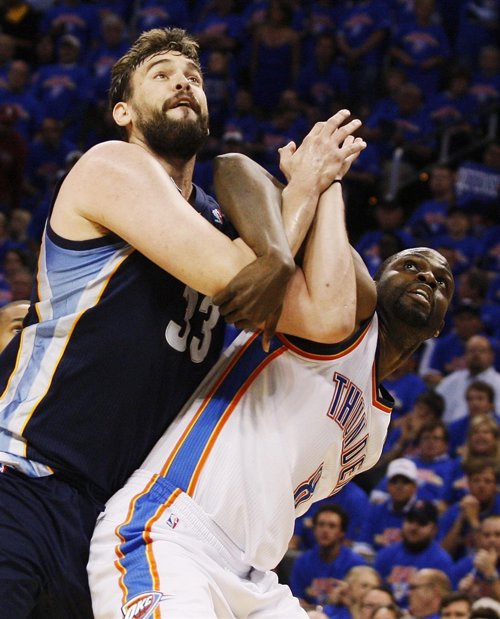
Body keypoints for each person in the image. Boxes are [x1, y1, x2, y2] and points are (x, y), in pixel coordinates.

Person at [1, 27, 355, 618]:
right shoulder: (110, 165)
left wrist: (328, 184)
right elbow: (236, 278)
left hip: (107, 523)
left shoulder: (221, 222)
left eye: (193, 77)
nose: (183, 83)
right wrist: (303, 189)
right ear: (123, 112)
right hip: (23, 479)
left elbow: (327, 316)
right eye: (161, 75)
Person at [88, 169, 455, 617]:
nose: (427, 278)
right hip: (175, 532)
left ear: (439, 326)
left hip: (254, 579)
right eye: (410, 266)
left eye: (442, 282)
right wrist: (282, 250)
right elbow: (233, 167)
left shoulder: (375, 436)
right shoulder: (340, 316)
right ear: (376, 284)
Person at [374, 501, 454, 607]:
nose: (414, 528)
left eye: (422, 523)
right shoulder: (385, 555)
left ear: (434, 530)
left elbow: (445, 601)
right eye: (410, 521)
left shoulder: (441, 561)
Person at [290, 505, 367, 612]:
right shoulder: (302, 562)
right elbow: (296, 599)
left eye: (332, 526)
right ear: (314, 529)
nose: (325, 530)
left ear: (342, 532)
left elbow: (359, 605)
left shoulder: (356, 564)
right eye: (321, 525)